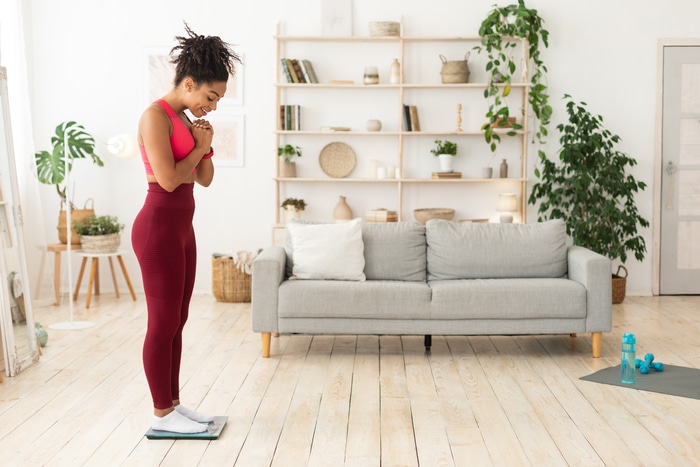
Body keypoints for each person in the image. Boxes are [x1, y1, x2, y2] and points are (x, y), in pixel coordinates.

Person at [131, 23, 241, 434]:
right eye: (210, 96)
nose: (212, 105)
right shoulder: (155, 116)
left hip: (182, 228)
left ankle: (174, 404)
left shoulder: (185, 119)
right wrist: (196, 148)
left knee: (179, 318)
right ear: (190, 83)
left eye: (218, 100)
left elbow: (205, 178)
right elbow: (170, 179)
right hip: (157, 228)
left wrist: (205, 143)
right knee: (161, 322)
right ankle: (161, 412)